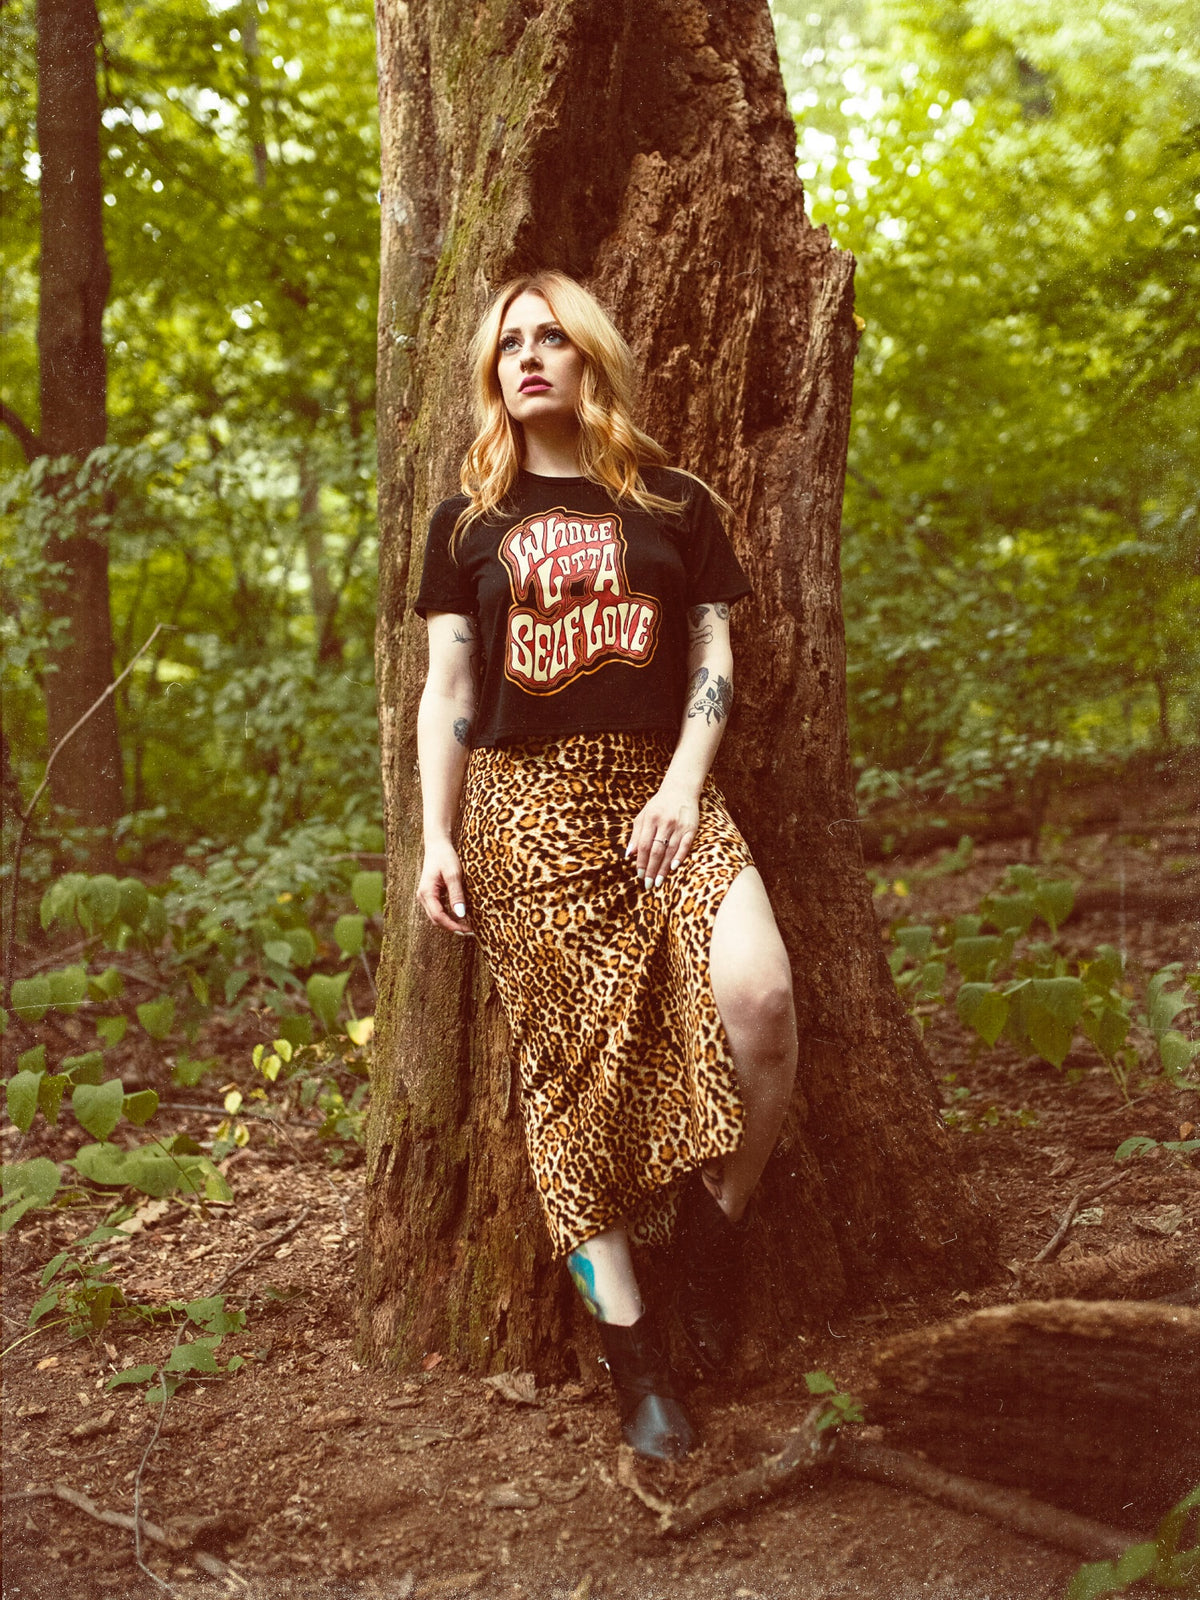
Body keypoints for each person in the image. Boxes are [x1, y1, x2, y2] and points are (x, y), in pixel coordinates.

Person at [413, 270, 797, 1461]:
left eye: (552, 339)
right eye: (510, 343)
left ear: (589, 360)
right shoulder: (468, 522)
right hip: (529, 811)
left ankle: (709, 1257)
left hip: (665, 792)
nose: (530, 357)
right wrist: (436, 833)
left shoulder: (676, 503)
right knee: (575, 1086)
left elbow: (714, 658)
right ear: (494, 372)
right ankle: (637, 1361)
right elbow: (449, 690)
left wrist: (684, 784)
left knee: (763, 1001)